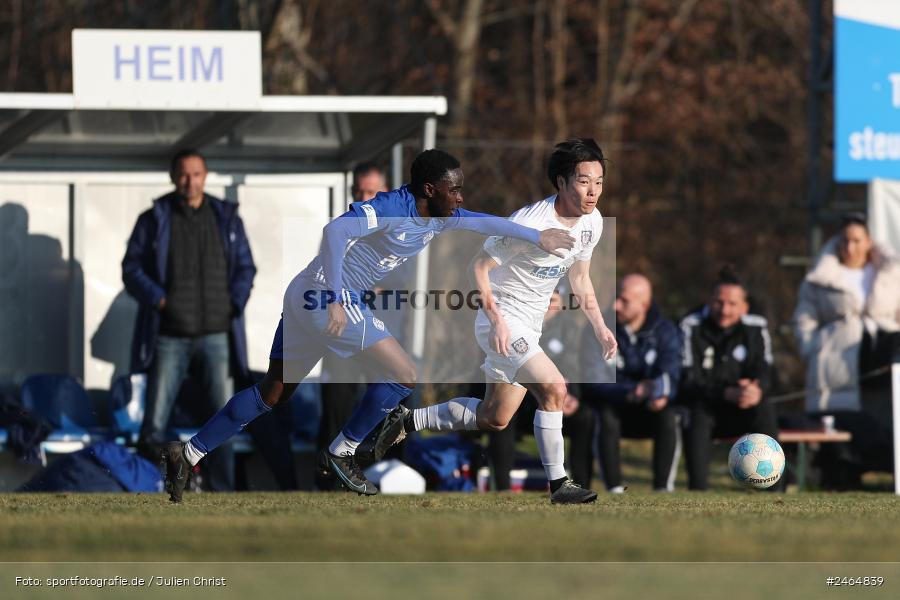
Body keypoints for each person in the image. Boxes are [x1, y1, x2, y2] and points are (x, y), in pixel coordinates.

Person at [159, 148, 577, 502]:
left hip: (305, 293)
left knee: (273, 393)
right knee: (405, 374)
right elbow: (335, 232)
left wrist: (535, 237)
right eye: (454, 189)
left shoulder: (440, 213)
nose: (460, 196)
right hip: (325, 294)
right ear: (430, 190)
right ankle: (342, 453)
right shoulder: (392, 208)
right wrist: (341, 297)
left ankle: (188, 453)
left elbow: (483, 221)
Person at [373, 138, 618, 504]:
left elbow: (580, 278)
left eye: (598, 181)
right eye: (584, 181)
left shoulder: (592, 223)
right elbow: (479, 267)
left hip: (530, 326)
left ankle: (407, 421)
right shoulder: (531, 221)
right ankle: (560, 485)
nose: (593, 191)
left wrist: (600, 327)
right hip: (502, 323)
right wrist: (497, 321)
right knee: (554, 389)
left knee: (495, 417)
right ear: (562, 183)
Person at [123, 149, 256, 492]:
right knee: (154, 422)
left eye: (196, 174)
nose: (190, 181)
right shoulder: (155, 218)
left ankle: (223, 490)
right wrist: (160, 299)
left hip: (216, 334)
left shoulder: (225, 217)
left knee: (227, 418)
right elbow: (131, 268)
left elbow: (245, 267)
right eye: (183, 174)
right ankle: (147, 485)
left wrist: (233, 304)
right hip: (170, 334)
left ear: (206, 175)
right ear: (172, 177)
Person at [792, 214, 900, 487]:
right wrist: (814, 350)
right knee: (845, 424)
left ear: (869, 242)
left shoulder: (891, 272)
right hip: (838, 364)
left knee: (885, 422)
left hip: (884, 359)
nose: (850, 248)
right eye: (845, 241)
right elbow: (804, 319)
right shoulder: (820, 277)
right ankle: (843, 477)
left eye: (856, 240)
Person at [316, 161, 390, 488]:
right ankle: (331, 478)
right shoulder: (342, 231)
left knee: (390, 403)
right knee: (337, 402)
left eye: (371, 192)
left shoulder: (402, 232)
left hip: (385, 334)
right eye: (358, 192)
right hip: (344, 334)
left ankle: (387, 474)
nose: (363, 198)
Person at [484, 287, 596, 490]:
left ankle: (577, 486)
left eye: (552, 299)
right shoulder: (515, 324)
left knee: (585, 417)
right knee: (502, 416)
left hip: (555, 399)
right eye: (543, 297)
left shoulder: (570, 330)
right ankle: (501, 488)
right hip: (521, 401)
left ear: (562, 303)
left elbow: (574, 367)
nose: (546, 304)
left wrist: (572, 396)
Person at [679, 267, 777, 491]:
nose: (724, 310)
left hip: (744, 407)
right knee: (697, 414)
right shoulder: (690, 326)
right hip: (707, 407)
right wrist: (725, 393)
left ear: (745, 307)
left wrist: (756, 389)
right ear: (709, 301)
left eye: (732, 304)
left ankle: (772, 488)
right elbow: (688, 380)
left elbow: (765, 370)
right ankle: (698, 491)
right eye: (719, 302)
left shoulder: (756, 327)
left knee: (765, 408)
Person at [582, 274, 681, 492]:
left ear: (644, 304)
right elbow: (593, 379)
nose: (616, 305)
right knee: (603, 414)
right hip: (615, 408)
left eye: (624, 300)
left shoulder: (666, 331)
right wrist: (632, 390)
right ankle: (614, 488)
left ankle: (663, 489)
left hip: (650, 409)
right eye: (617, 297)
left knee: (668, 416)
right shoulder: (598, 330)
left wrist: (660, 393)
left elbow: (672, 373)